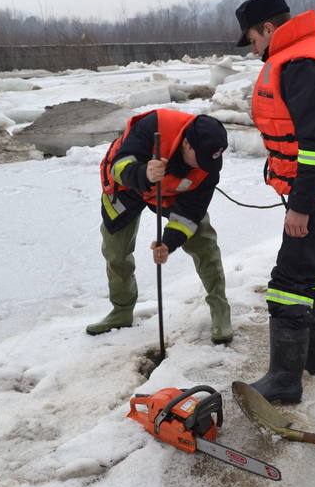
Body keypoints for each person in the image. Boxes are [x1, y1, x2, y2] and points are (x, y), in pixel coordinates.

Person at [235, 0, 315, 402]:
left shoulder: (300, 63)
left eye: (253, 40)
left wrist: (302, 207)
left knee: (288, 282)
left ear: (268, 29)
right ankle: (314, 361)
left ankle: (284, 382)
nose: (254, 50)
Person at [86, 108, 233, 344]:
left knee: (204, 241)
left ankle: (220, 309)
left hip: (170, 193)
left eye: (211, 161)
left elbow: (189, 214)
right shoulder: (155, 125)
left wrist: (168, 243)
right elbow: (119, 166)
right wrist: (144, 172)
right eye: (201, 160)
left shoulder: (209, 167)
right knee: (116, 252)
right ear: (187, 144)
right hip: (127, 188)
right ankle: (121, 311)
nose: (205, 167)